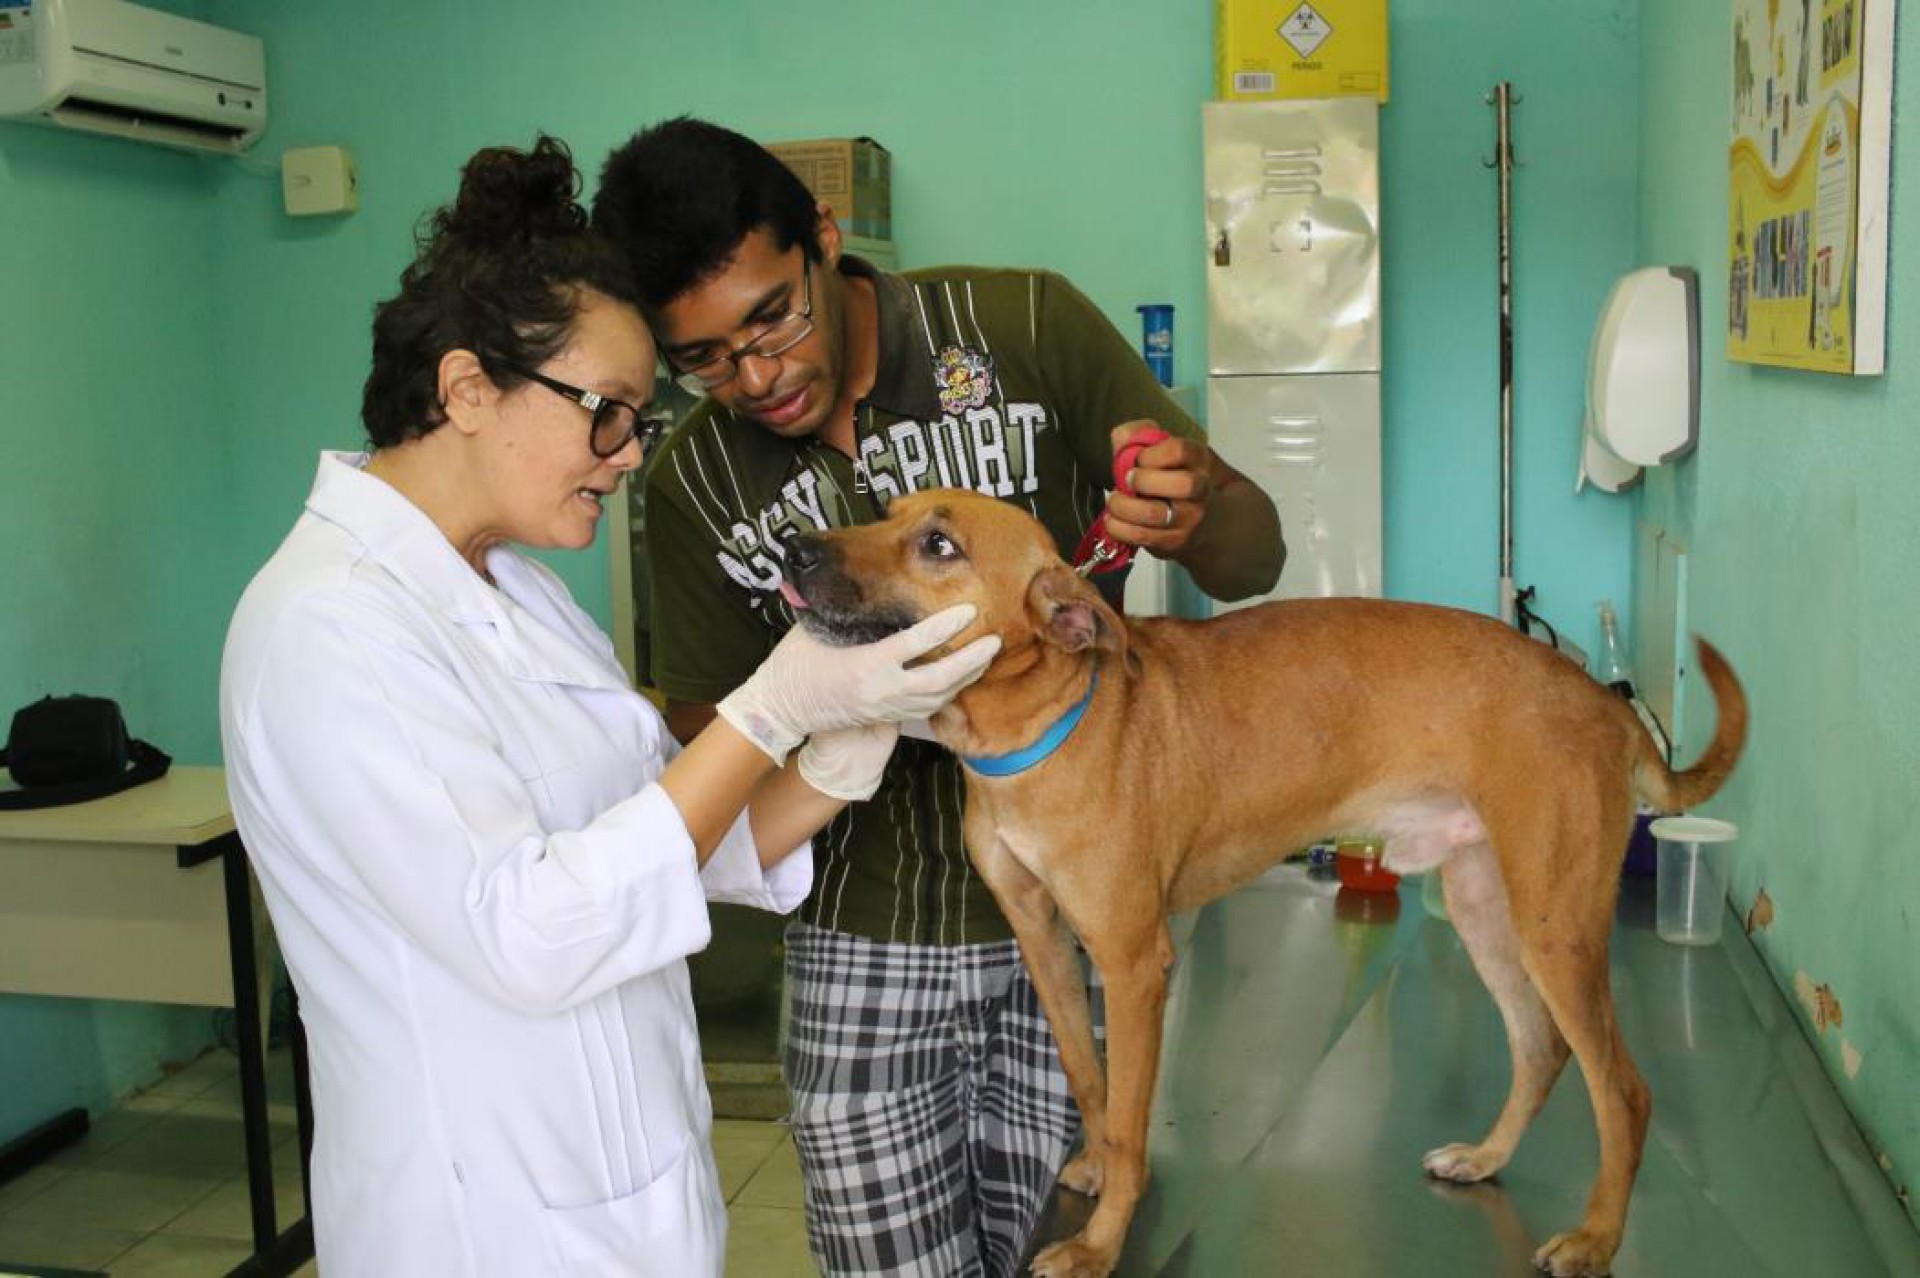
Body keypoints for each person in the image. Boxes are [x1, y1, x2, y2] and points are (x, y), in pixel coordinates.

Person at [218, 135, 999, 1277]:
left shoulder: (513, 591)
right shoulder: (329, 627)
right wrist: (776, 703)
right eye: (610, 412)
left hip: (622, 1186)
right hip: (482, 1223)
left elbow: (670, 842)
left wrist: (846, 744)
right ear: (468, 387)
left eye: (640, 414)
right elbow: (534, 935)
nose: (632, 453)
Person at [593, 117, 1284, 1276]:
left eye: (773, 316)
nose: (755, 375)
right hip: (860, 945)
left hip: (1082, 908)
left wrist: (1198, 501)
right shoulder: (693, 479)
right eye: (704, 358)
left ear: (824, 239)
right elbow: (707, 740)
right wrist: (828, 708)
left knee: (1075, 1247)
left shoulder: (1022, 327)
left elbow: (1252, 562)